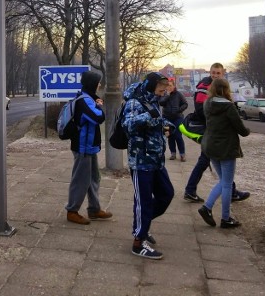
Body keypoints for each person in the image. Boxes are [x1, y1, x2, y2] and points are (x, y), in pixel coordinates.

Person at [122, 72, 175, 260]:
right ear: (151, 86)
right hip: (141, 160)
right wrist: (147, 116)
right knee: (143, 201)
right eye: (161, 90)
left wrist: (167, 125)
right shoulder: (134, 103)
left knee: (167, 194)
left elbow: (156, 121)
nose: (163, 93)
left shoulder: (153, 101)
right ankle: (138, 241)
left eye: (165, 90)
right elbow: (127, 125)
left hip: (157, 160)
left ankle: (142, 224)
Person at [183, 63, 250, 203]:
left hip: (214, 130)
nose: (215, 75)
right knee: (207, 160)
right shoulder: (203, 87)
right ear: (210, 72)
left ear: (222, 73)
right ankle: (192, 191)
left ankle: (229, 191)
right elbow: (200, 109)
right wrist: (216, 120)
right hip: (211, 130)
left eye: (218, 73)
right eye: (213, 72)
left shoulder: (218, 86)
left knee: (213, 159)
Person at [197, 78, 251, 228]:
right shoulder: (229, 107)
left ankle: (207, 209)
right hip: (226, 148)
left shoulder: (207, 103)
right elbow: (240, 128)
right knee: (227, 184)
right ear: (226, 89)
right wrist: (247, 131)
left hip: (210, 146)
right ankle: (223, 217)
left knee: (222, 181)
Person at [65, 71, 112, 225]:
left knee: (93, 179)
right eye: (98, 82)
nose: (100, 84)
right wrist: (99, 106)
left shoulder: (88, 98)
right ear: (92, 83)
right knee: (81, 180)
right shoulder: (85, 101)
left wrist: (96, 104)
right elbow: (98, 118)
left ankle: (94, 209)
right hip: (82, 147)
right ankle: (72, 211)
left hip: (89, 146)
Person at [159, 77, 188, 162]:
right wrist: (167, 95)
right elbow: (161, 103)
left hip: (177, 117)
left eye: (171, 85)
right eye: (167, 86)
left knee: (178, 136)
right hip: (166, 118)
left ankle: (182, 154)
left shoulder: (178, 94)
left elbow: (185, 104)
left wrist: (179, 110)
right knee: (170, 136)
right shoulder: (164, 94)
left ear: (174, 86)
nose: (169, 87)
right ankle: (173, 153)